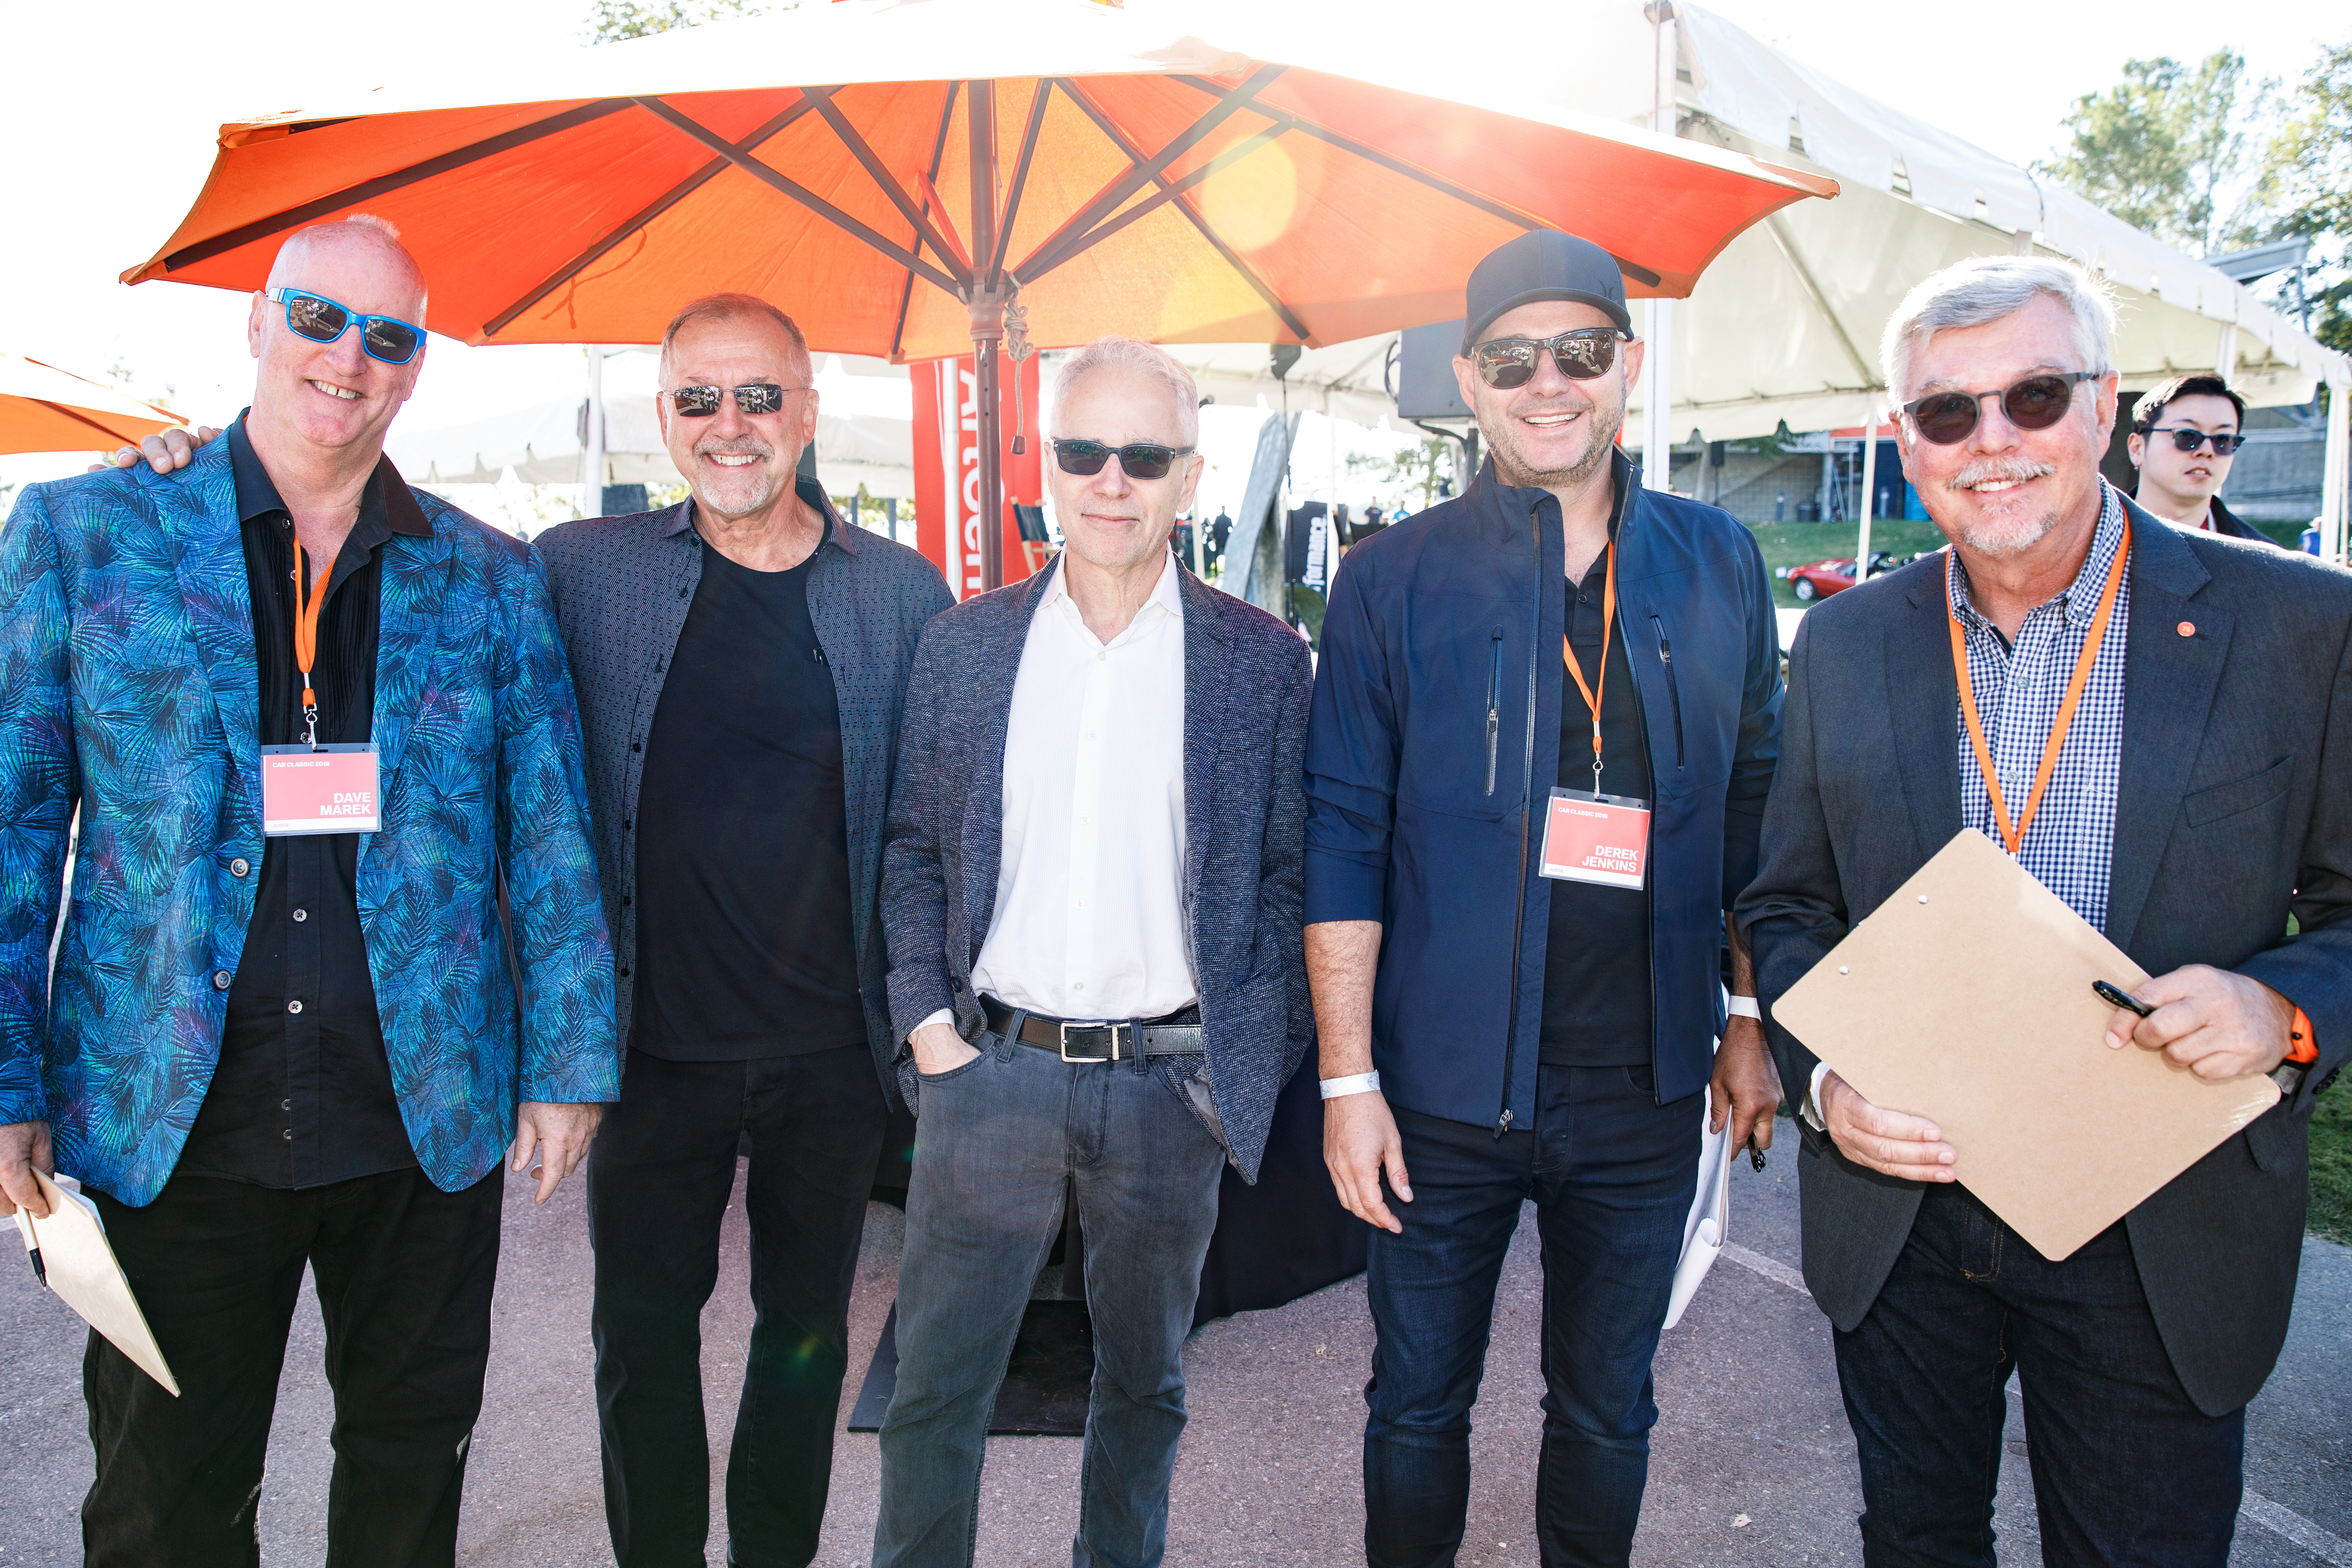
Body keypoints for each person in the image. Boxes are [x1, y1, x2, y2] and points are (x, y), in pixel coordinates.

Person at [0, 215, 615, 1566]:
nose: (350, 357)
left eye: (390, 336)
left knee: (408, 1484)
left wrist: (569, 1058)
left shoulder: (489, 577)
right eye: (322, 318)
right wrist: (6, 1083)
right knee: (164, 1504)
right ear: (259, 323)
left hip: (421, 1115)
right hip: (169, 1118)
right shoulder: (84, 534)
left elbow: (552, 835)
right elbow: (13, 822)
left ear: (414, 368)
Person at [1738, 255, 2349, 1568]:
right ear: (1907, 442)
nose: (1993, 440)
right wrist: (1827, 1078)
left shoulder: (2301, 624)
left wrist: (2284, 1006)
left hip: (2158, 1213)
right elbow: (1789, 899)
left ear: (2108, 405)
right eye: (1948, 413)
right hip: (1909, 1205)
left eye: (2031, 394)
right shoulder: (1847, 643)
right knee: (1917, 1539)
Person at [1305, 228, 1785, 1568]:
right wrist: (1350, 1083)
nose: (1548, 384)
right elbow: (1340, 830)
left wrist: (1749, 1011)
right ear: (1469, 376)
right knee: (1414, 1404)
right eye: (1514, 359)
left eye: (1579, 352)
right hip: (1441, 1090)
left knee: (1607, 1410)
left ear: (1626, 365)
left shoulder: (1719, 560)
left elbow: (1760, 804)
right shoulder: (1389, 578)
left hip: (1641, 1082)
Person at [872, 337, 1311, 1568]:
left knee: (1142, 1393)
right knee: (934, 1399)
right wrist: (928, 1027)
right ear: (1047, 465)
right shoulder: (966, 647)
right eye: (1084, 451)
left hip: (1171, 1090)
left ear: (1190, 477)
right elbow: (911, 851)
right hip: (987, 1073)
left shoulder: (1263, 663)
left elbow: (1287, 879)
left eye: (1145, 455)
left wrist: (1234, 1073)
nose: (1111, 480)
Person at [534, 295, 952, 1568]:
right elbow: (412, 563)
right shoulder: (579, 570)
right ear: (666, 417)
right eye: (701, 399)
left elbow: (937, 816)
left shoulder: (898, 593)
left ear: (808, 412)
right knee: (641, 1341)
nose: (732, 426)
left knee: (804, 1336)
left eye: (759, 396)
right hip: (652, 1050)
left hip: (833, 1054)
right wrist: (195, 466)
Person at [2126, 372, 2275, 543]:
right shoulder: (2094, 536)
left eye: (2223, 440)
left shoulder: (2263, 560)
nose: (2206, 451)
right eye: (2186, 436)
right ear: (2137, 448)